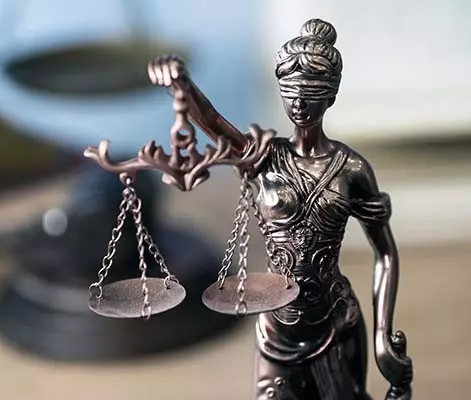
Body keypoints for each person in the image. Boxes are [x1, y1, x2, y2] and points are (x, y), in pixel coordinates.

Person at [148, 18, 413, 400]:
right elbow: (212, 121)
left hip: (335, 321)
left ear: (331, 96)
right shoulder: (262, 157)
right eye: (291, 92)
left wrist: (382, 335)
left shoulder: (351, 170)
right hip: (278, 327)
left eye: (311, 93)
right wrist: (182, 85)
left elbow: (385, 253)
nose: (300, 103)